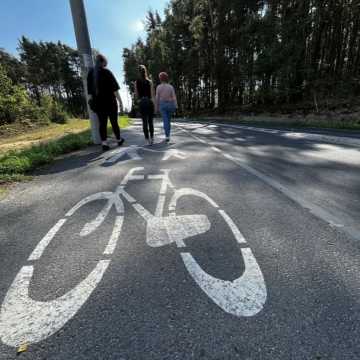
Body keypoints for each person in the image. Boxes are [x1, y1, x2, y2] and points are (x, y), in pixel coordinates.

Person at [87, 54, 125, 151]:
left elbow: (90, 93)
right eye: (105, 61)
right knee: (114, 122)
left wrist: (93, 103)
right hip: (110, 102)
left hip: (98, 104)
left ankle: (104, 143)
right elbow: (115, 90)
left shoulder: (90, 74)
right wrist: (120, 102)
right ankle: (118, 139)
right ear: (103, 62)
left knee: (102, 123)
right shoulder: (107, 72)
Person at [135, 65, 155, 145]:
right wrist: (154, 105)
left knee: (144, 122)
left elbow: (136, 95)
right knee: (150, 121)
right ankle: (152, 138)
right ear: (145, 71)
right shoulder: (150, 82)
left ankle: (147, 139)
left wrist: (138, 100)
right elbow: (152, 95)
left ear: (138, 72)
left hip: (142, 102)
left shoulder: (136, 82)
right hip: (149, 102)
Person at [155, 72, 177, 142]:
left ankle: (167, 136)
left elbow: (157, 98)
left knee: (165, 120)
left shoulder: (158, 87)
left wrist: (156, 107)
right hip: (170, 104)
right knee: (168, 121)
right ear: (166, 78)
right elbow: (174, 97)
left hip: (162, 105)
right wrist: (176, 105)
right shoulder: (170, 87)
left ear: (160, 79)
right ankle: (168, 135)